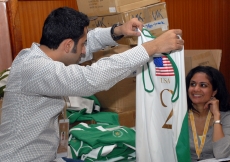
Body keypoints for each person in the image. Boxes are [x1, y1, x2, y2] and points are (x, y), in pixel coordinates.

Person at [0, 7, 184, 161]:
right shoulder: (36, 68)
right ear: (67, 45)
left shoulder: (39, 55)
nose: (85, 51)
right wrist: (153, 47)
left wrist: (117, 31)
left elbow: (90, 40)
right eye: (82, 45)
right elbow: (91, 78)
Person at [186, 66, 230, 161]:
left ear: (214, 92)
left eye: (203, 85)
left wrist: (217, 117)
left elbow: (221, 153)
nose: (196, 89)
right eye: (192, 84)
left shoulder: (226, 117)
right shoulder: (180, 116)